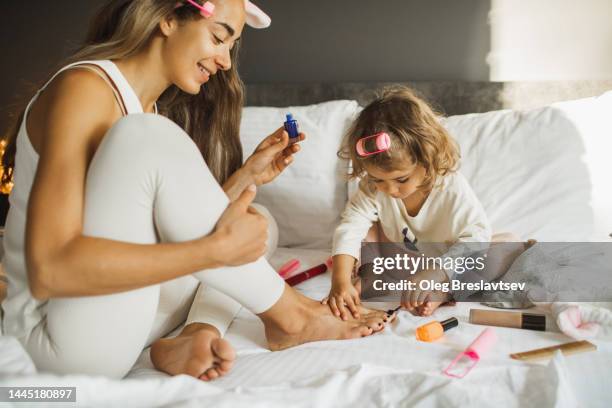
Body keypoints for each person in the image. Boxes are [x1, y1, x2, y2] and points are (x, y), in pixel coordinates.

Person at [0, 0, 391, 382]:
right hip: (57, 342)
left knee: (259, 221)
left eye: (230, 47)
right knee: (152, 143)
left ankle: (197, 331)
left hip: (119, 317)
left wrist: (246, 178)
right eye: (219, 37)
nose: (224, 61)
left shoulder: (143, 110)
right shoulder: (86, 90)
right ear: (169, 18)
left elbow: (160, 231)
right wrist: (212, 251)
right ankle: (291, 316)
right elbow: (50, 270)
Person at [325, 86, 494, 318]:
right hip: (397, 261)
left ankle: (442, 293)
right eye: (377, 179)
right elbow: (351, 225)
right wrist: (340, 280)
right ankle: (370, 278)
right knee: (367, 229)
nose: (390, 190)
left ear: (426, 158)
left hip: (443, 264)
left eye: (401, 179)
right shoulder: (373, 187)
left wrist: (436, 272)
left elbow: (477, 237)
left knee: (501, 248)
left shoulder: (450, 187)